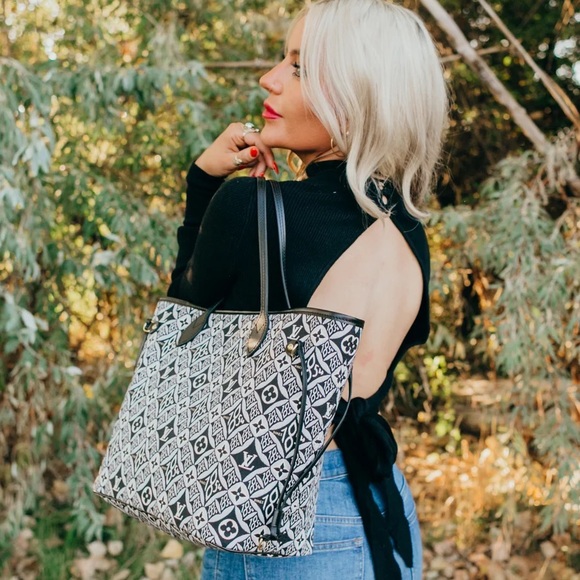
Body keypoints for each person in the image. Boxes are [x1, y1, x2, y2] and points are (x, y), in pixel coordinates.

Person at [168, 0, 448, 577]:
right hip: (378, 507)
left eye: (298, 67)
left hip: (275, 513)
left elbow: (179, 338)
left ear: (356, 93)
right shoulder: (407, 227)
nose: (269, 78)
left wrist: (202, 182)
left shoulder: (251, 207)